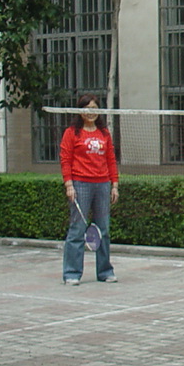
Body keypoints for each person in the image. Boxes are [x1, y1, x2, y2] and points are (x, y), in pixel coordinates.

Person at [59, 94, 120, 286]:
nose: (90, 113)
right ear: (80, 111)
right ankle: (72, 273)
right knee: (77, 229)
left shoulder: (104, 133)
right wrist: (69, 185)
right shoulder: (71, 133)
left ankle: (105, 271)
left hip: (102, 185)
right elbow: (65, 159)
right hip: (80, 184)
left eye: (94, 109)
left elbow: (111, 159)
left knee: (103, 230)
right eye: (87, 109)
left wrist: (114, 184)